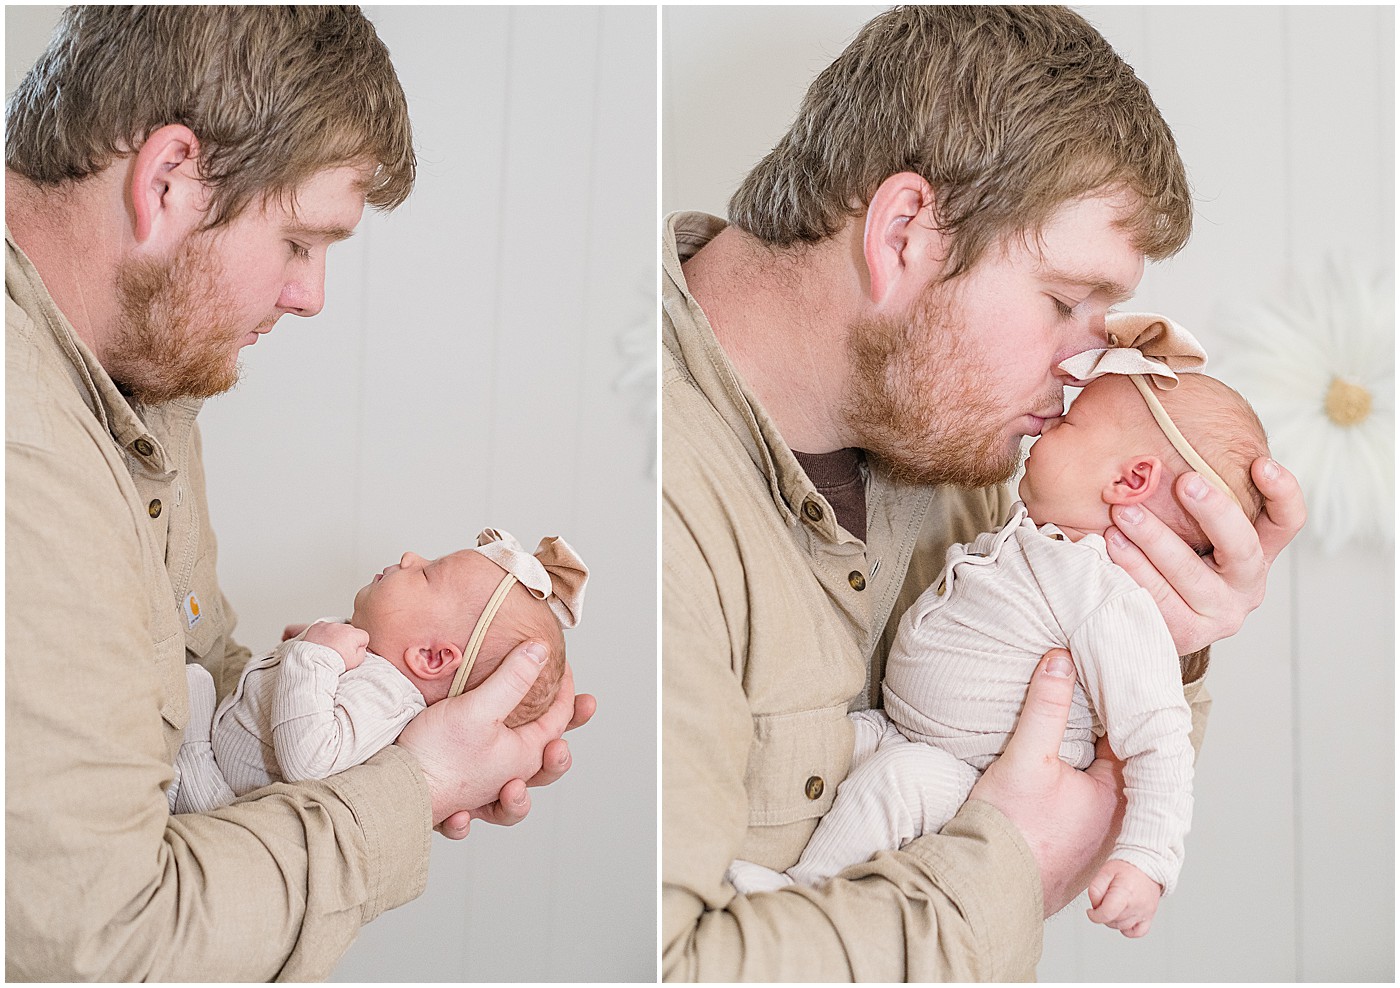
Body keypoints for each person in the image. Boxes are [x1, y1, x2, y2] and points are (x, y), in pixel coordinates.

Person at [662, 6, 1305, 982]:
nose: (1087, 362)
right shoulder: (640, 484)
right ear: (904, 230)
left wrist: (1168, 632)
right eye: (1061, 303)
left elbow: (1084, 785)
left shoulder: (964, 449)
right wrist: (1004, 868)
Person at [5, 7, 592, 981]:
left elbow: (188, 673)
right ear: (168, 180)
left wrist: (393, 723)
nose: (311, 295)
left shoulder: (142, 367)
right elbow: (105, 944)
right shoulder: (21, 444)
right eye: (298, 243)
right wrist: (416, 785)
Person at [725, 314, 1270, 941]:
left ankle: (800, 898)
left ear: (1130, 480)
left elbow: (1158, 737)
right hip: (902, 729)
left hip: (966, 776)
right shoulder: (1034, 537)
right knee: (833, 747)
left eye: (1069, 423)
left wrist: (1147, 858)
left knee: (898, 782)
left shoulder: (1105, 597)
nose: (1050, 418)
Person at [172, 530, 588, 814]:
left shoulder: (386, 696)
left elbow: (310, 763)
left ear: (430, 657)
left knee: (186, 682)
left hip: (207, 791)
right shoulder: (376, 663)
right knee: (188, 682)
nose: (409, 557)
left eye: (426, 573)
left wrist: (311, 661)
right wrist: (303, 650)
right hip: (216, 754)